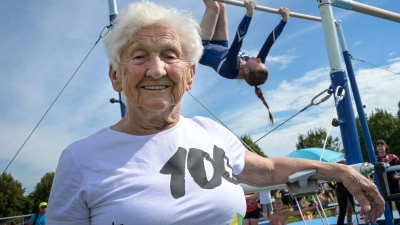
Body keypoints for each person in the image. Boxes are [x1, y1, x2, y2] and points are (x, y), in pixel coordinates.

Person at [47, 1, 384, 225]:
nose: (156, 69)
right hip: (218, 49)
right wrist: (254, 15)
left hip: (214, 49)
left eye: (169, 55)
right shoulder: (81, 159)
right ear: (114, 76)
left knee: (219, 6)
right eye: (138, 56)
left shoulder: (209, 130)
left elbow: (267, 169)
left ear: (190, 76)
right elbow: (247, 44)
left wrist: (337, 171)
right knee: (217, 5)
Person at [199, 0, 290, 124]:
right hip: (221, 45)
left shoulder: (232, 69)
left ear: (246, 70)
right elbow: (269, 43)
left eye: (258, 62)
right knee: (222, 6)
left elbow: (238, 40)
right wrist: (284, 21)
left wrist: (249, 14)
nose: (259, 59)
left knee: (214, 7)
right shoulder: (251, 65)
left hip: (202, 48)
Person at [375, 139, 400, 218]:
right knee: (387, 206)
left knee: (399, 203)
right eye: (378, 146)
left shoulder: (392, 157)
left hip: (394, 182)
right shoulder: (374, 159)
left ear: (385, 147)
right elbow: (372, 172)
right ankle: (390, 222)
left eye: (382, 145)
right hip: (383, 184)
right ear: (376, 148)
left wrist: (399, 175)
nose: (380, 147)